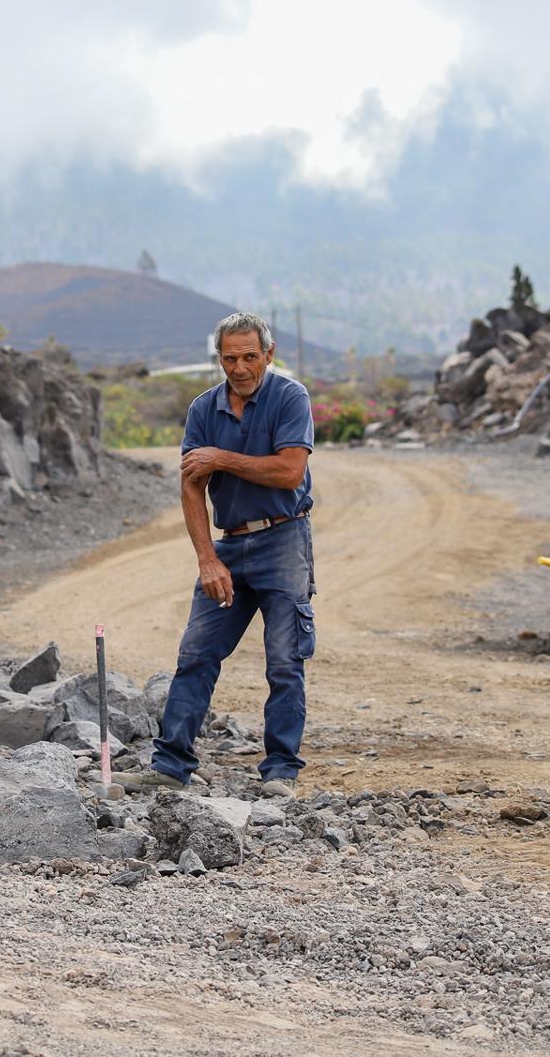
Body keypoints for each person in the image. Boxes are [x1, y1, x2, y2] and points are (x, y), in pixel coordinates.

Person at [118, 312, 316, 798]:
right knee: (196, 652)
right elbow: (191, 487)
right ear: (219, 358)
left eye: (250, 356)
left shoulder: (290, 397)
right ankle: (170, 765)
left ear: (269, 354)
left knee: (284, 660)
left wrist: (222, 458)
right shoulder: (204, 409)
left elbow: (290, 472)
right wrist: (208, 559)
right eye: (230, 358)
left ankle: (280, 772)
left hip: (283, 539)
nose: (240, 367)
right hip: (228, 543)